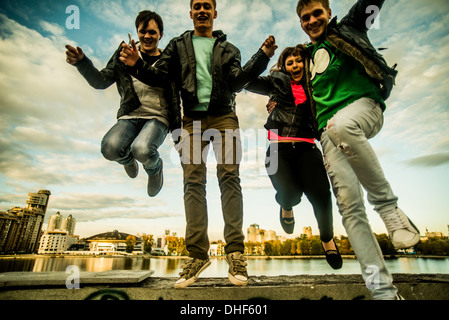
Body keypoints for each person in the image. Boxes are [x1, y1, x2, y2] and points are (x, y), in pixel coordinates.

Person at [120, 0, 277, 288]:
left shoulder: (229, 50)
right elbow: (159, 76)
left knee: (229, 177)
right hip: (191, 120)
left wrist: (262, 57)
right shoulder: (178, 46)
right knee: (193, 181)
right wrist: (137, 65)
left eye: (207, 5)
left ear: (214, 13)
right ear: (191, 13)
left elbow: (237, 82)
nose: (202, 10)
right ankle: (196, 255)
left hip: (224, 117)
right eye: (197, 6)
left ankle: (235, 253)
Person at [295, 0, 420, 299]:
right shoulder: (304, 57)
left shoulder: (349, 27)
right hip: (328, 131)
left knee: (341, 125)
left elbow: (371, 4)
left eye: (317, 14)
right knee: (349, 207)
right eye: (305, 17)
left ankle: (389, 209)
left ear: (328, 12)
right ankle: (383, 291)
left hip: (363, 108)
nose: (312, 20)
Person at [245, 45, 342, 270]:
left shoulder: (316, 85)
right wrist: (263, 57)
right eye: (290, 62)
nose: (295, 65)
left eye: (299, 61)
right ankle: (286, 206)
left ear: (306, 64)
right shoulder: (275, 85)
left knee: (321, 194)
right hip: (279, 150)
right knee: (290, 193)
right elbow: (246, 81)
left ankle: (327, 239)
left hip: (307, 148)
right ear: (284, 67)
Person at [65, 10, 180, 197]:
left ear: (161, 34)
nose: (147, 36)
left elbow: (170, 88)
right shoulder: (123, 54)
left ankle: (155, 169)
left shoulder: (168, 60)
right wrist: (82, 63)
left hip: (158, 117)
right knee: (110, 148)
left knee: (141, 149)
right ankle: (127, 160)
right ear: (137, 32)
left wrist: (178, 132)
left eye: (152, 32)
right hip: (131, 114)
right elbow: (100, 81)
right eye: (143, 31)